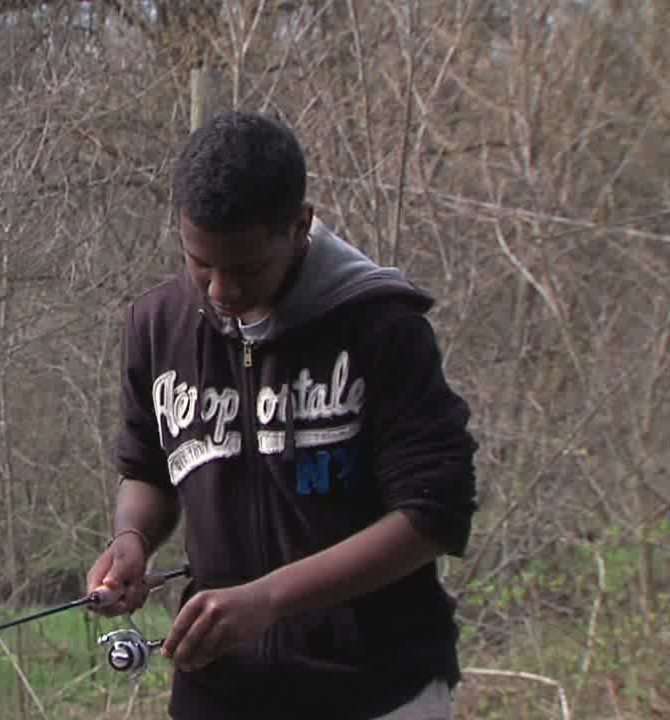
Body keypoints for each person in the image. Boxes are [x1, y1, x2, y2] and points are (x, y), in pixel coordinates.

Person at [86, 110, 478, 719]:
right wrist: (131, 538)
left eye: (244, 269)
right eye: (199, 263)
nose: (219, 290)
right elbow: (147, 469)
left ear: (299, 227)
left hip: (378, 691)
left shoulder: (381, 326)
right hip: (221, 695)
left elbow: (434, 514)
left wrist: (269, 599)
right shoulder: (156, 326)